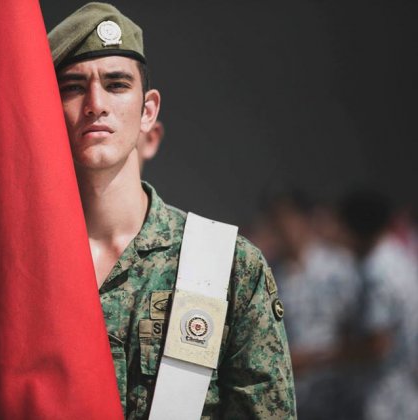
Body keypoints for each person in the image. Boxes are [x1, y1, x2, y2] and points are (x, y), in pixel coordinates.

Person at [48, 3, 296, 418]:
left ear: (148, 111)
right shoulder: (16, 265)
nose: (95, 104)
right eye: (73, 87)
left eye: (116, 84)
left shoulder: (229, 265)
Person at [265, 191, 362, 419]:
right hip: (295, 395)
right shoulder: (272, 275)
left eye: (289, 219)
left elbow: (356, 325)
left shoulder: (338, 267)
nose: (284, 229)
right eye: (276, 222)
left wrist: (322, 356)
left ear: (305, 220)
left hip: (338, 388)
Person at [338, 190, 418, 420]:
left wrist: (319, 357)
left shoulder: (377, 271)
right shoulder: (400, 258)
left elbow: (377, 345)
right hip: (408, 392)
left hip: (388, 399)